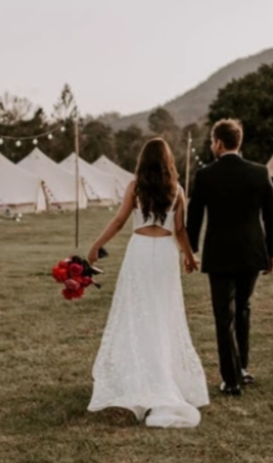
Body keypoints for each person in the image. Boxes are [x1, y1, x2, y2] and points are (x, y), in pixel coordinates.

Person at [86, 138, 209, 428]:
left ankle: (142, 375)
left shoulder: (135, 187)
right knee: (163, 313)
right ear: (168, 162)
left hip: (140, 251)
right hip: (165, 253)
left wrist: (96, 246)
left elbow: (118, 221)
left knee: (137, 311)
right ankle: (163, 375)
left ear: (143, 161)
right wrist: (189, 257)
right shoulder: (177, 190)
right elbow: (180, 229)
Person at [187, 119, 273, 396]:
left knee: (224, 316)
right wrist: (272, 252)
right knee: (244, 308)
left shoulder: (205, 175)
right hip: (252, 252)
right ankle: (243, 368)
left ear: (219, 143)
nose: (212, 146)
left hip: (220, 254)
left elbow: (195, 217)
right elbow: (271, 218)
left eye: (212, 142)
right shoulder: (260, 173)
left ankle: (232, 379)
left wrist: (190, 251)